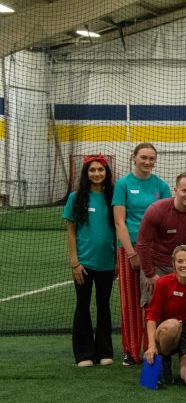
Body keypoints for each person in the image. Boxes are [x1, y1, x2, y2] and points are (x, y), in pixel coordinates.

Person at [112, 143, 171, 365]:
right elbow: (119, 221)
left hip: (156, 252)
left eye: (151, 158)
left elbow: (167, 221)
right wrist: (130, 252)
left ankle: (153, 349)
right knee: (130, 301)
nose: (147, 162)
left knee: (153, 301)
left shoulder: (161, 186)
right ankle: (131, 350)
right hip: (130, 250)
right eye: (143, 157)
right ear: (134, 158)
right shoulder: (123, 184)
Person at [63, 156, 117, 367]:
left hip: (107, 263)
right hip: (84, 264)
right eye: (92, 170)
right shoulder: (76, 198)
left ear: (106, 172)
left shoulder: (113, 197)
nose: (97, 173)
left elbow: (115, 230)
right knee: (83, 306)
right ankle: (84, 354)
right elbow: (70, 232)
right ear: (86, 173)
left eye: (100, 170)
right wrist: (75, 262)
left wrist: (116, 261)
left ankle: (104, 351)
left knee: (104, 306)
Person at [136, 172, 186, 307]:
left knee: (184, 307)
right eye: (185, 190)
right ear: (176, 190)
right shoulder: (157, 210)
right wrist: (149, 274)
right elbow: (143, 244)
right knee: (154, 309)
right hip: (156, 266)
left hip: (183, 266)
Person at [143, 245, 186, 387]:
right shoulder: (163, 283)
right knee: (173, 324)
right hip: (167, 329)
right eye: (180, 261)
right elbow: (151, 316)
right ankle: (165, 361)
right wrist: (151, 346)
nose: (184, 265)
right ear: (173, 264)